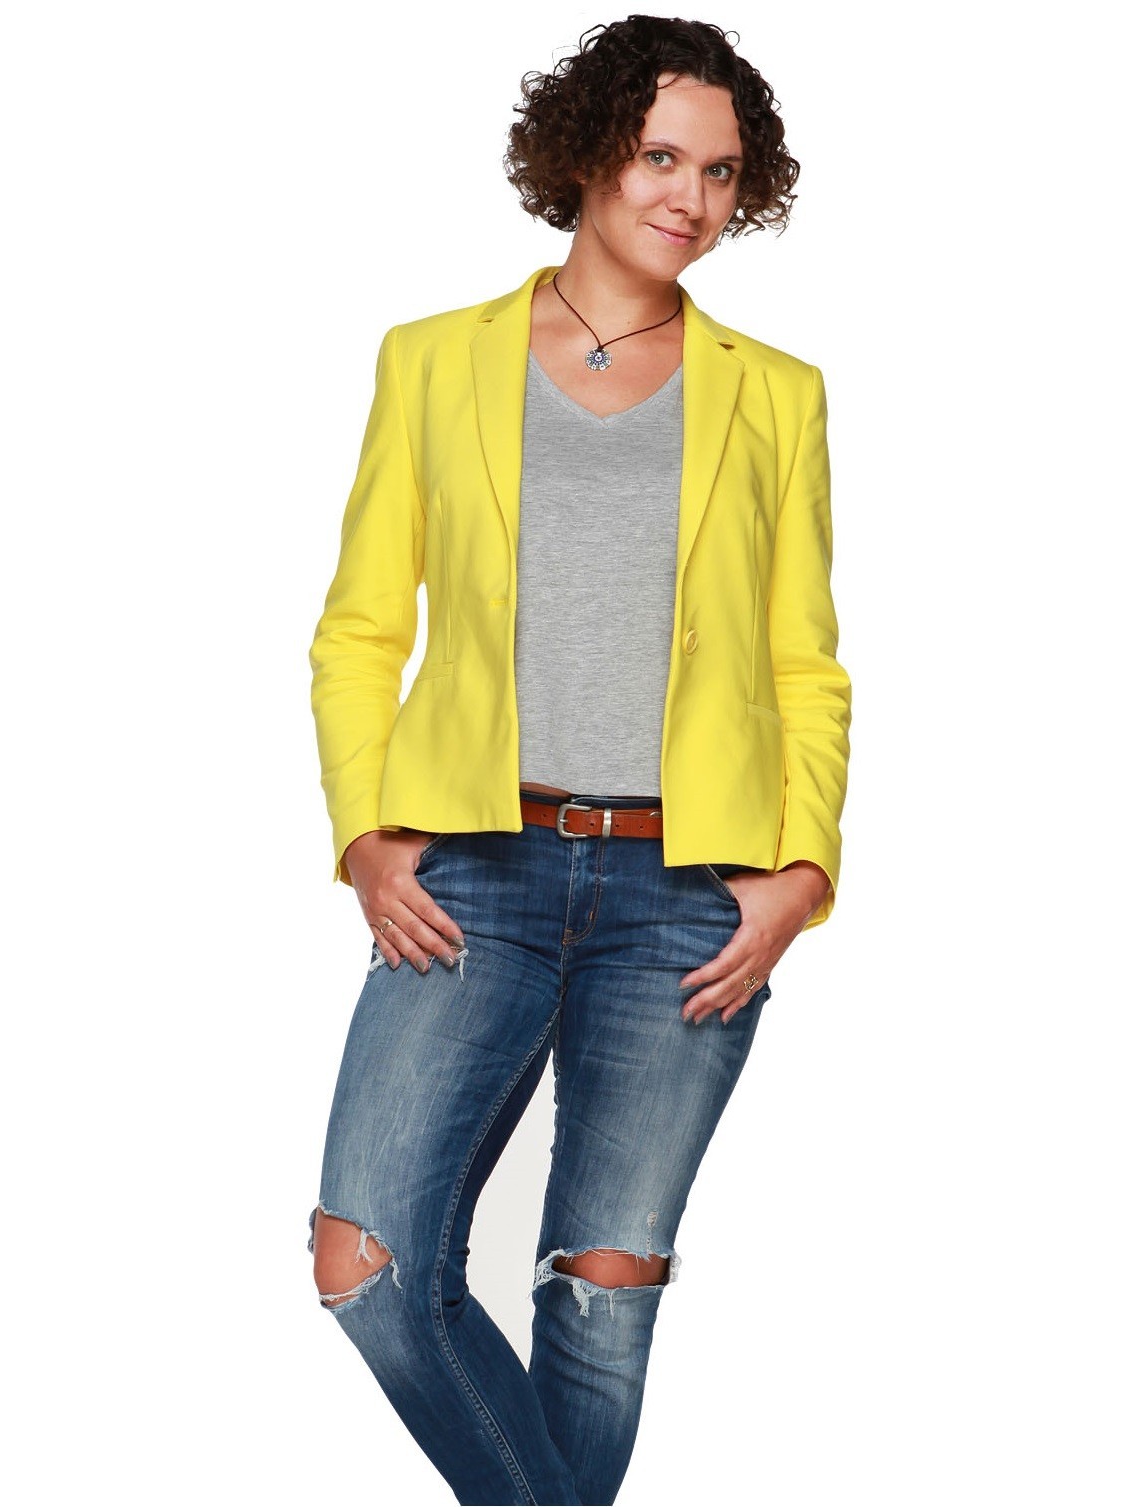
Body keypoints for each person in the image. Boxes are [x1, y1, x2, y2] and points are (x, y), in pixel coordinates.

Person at [304, 15, 851, 1505]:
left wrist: (802, 873)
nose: (691, 196)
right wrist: (365, 834)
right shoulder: (435, 360)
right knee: (367, 1257)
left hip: (689, 890)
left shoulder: (776, 391)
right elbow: (360, 629)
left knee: (606, 1290)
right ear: (590, 150)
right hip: (473, 868)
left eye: (722, 172)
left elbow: (805, 662)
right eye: (662, 155)